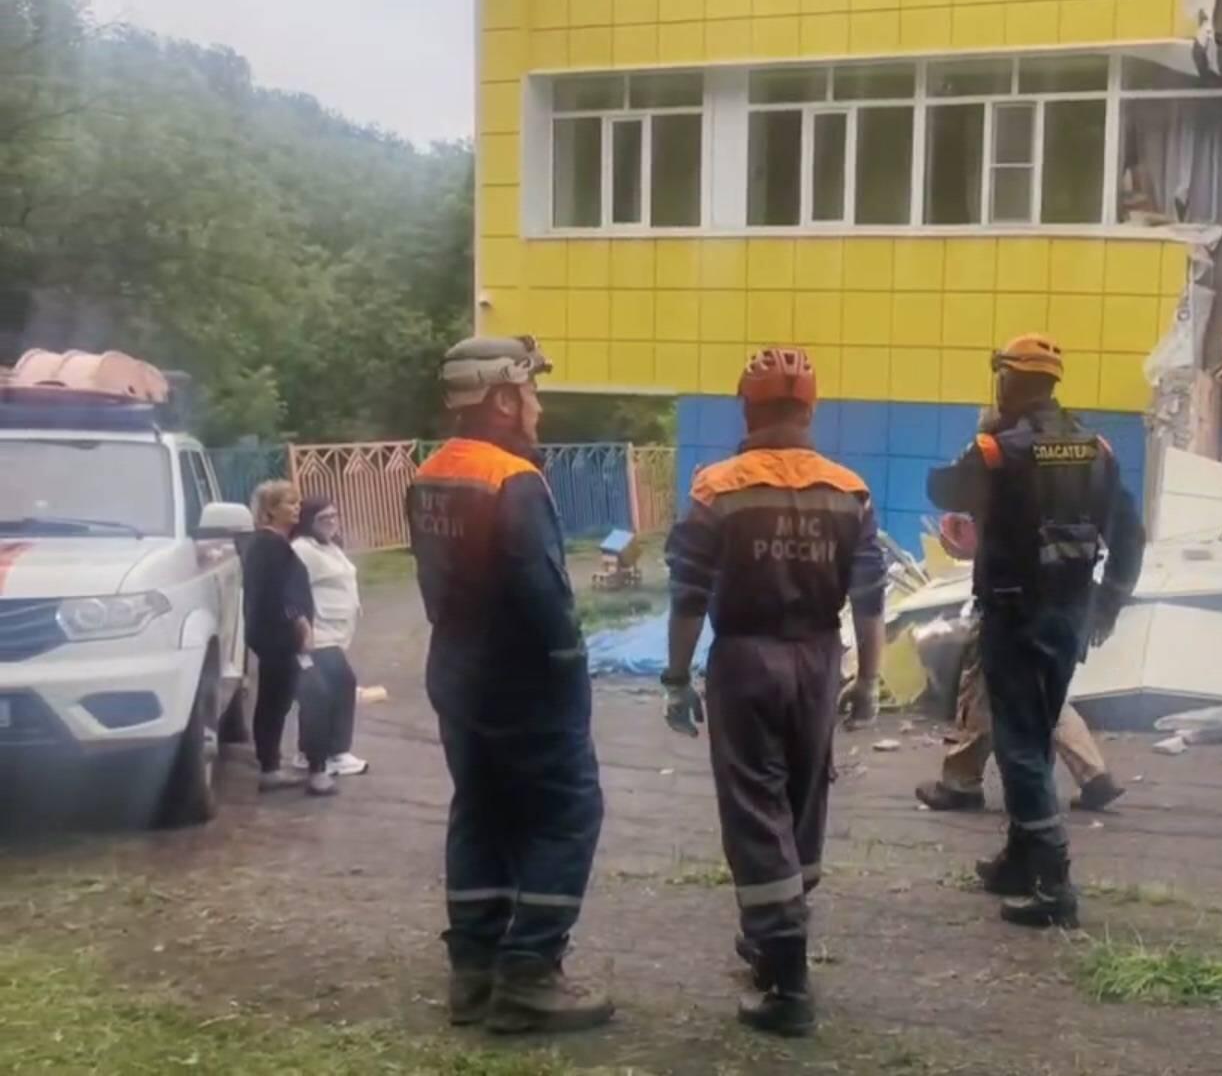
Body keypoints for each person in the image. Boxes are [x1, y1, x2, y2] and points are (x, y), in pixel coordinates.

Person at [662, 346, 886, 1038]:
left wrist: (676, 678)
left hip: (745, 661)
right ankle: (775, 934)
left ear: (747, 410)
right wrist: (868, 681)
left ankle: (785, 983)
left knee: (755, 809)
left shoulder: (716, 490)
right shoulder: (849, 491)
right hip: (819, 660)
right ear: (810, 410)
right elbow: (870, 599)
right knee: (802, 798)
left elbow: (688, 596)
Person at [406, 336, 610, 1035]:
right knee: (568, 811)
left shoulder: (430, 474)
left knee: (481, 809)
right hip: (524, 680)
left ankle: (473, 969)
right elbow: (545, 593)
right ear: (500, 398)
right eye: (529, 392)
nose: (537, 407)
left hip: (456, 671)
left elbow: (434, 586)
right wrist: (571, 674)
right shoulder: (513, 480)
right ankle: (528, 974)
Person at [925, 334, 1146, 930]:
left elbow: (942, 490)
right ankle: (1020, 859)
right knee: (1036, 732)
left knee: (1020, 745)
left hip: (1016, 615)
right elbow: (1129, 533)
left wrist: (986, 439)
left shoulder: (999, 450)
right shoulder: (1098, 450)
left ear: (1010, 383)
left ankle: (1053, 882)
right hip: (1071, 614)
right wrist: (1110, 603)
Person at [914, 616, 1126, 814]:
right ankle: (1093, 775)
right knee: (1046, 694)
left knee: (983, 691)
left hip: (1011, 611)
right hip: (1057, 613)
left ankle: (961, 783)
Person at [290, 496, 367, 796]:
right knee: (340, 684)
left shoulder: (329, 546)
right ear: (309, 521)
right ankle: (335, 751)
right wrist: (302, 626)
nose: (332, 522)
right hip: (318, 633)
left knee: (331, 689)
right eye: (324, 518)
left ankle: (308, 751)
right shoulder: (302, 549)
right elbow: (294, 590)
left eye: (334, 516)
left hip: (335, 631)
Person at [243, 479, 314, 794]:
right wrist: (301, 624)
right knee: (276, 699)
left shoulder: (267, 543)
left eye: (298, 502)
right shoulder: (271, 546)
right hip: (277, 634)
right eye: (289, 502)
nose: (297, 508)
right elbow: (281, 593)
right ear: (270, 510)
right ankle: (270, 767)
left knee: (275, 698)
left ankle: (270, 763)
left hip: (268, 632)